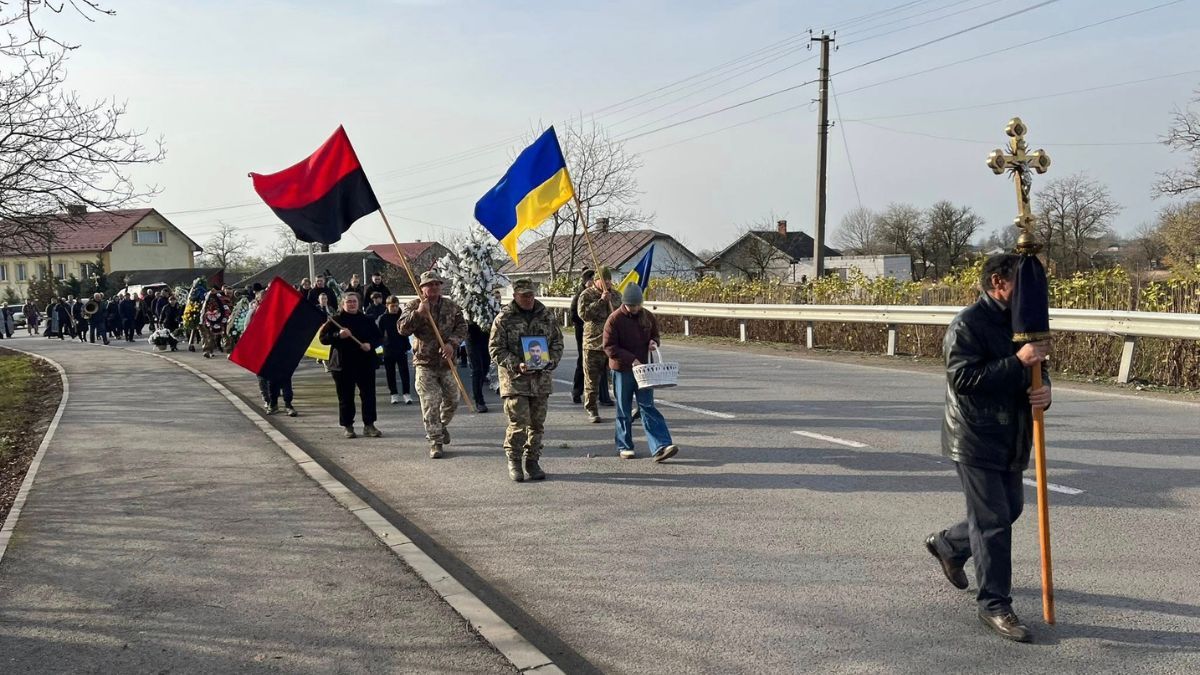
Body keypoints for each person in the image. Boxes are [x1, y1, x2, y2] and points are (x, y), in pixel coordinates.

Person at [924, 253, 1051, 644]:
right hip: (975, 435)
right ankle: (995, 604)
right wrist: (1018, 362)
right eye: (1021, 284)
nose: (1030, 293)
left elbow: (1036, 372)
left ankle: (949, 544)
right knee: (994, 520)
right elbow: (963, 378)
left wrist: (1043, 391)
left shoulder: (1022, 321)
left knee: (1008, 509)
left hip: (1011, 433)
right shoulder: (968, 324)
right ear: (998, 283)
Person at [489, 279, 563, 482]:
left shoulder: (545, 315)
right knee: (518, 424)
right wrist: (516, 364)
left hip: (541, 380)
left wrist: (551, 361)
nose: (528, 298)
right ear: (515, 296)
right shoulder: (504, 318)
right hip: (516, 381)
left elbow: (557, 342)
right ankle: (514, 460)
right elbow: (496, 349)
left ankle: (532, 460)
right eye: (524, 295)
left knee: (537, 425)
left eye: (531, 295)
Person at [603, 283, 679, 462]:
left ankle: (661, 445)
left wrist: (654, 342)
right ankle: (625, 446)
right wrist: (631, 359)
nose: (635, 308)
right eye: (632, 305)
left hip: (645, 371)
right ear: (625, 303)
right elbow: (609, 347)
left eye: (638, 305)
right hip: (622, 370)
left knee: (647, 406)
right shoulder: (614, 319)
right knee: (624, 408)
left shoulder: (648, 317)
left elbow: (655, 335)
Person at [398, 271, 467, 459]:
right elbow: (402, 329)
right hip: (425, 362)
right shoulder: (413, 306)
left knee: (453, 399)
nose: (434, 287)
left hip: (446, 362)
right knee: (430, 401)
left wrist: (452, 344)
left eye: (437, 284)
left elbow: (462, 327)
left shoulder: (451, 306)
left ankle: (441, 425)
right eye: (429, 285)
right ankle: (435, 441)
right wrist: (419, 314)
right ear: (422, 288)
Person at [319, 292, 382, 438]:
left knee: (368, 396)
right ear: (343, 304)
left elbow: (379, 337)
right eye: (348, 302)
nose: (352, 304)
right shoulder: (335, 321)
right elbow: (323, 339)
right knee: (345, 397)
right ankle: (348, 426)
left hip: (365, 363)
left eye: (354, 301)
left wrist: (370, 345)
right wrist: (338, 335)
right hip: (342, 364)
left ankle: (369, 425)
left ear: (358, 303)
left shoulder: (367, 320)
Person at [577, 266, 621, 423]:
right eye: (604, 280)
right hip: (593, 344)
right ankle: (592, 409)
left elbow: (621, 314)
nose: (607, 283)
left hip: (612, 345)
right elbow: (584, 315)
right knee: (592, 381)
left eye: (609, 280)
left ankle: (623, 409)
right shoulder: (587, 295)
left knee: (618, 379)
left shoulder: (616, 295)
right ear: (596, 281)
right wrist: (601, 301)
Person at [377, 295, 413, 406]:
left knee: (404, 372)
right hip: (388, 348)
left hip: (401, 347)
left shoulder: (402, 317)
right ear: (387, 306)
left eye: (396, 306)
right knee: (390, 372)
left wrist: (407, 345)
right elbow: (379, 333)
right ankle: (394, 394)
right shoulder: (383, 318)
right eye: (392, 306)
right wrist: (381, 345)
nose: (395, 308)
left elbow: (407, 332)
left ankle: (406, 393)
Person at [569, 269, 594, 404]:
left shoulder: (599, 294)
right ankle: (577, 391)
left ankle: (600, 394)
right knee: (583, 361)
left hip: (597, 334)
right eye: (589, 279)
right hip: (583, 332)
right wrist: (585, 323)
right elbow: (574, 315)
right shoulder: (580, 296)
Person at [465, 317, 491, 413]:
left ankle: (477, 390)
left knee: (485, 367)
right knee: (477, 369)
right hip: (471, 337)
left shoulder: (492, 302)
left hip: (486, 336)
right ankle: (479, 400)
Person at [199, 287, 231, 358]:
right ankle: (207, 351)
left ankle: (229, 351)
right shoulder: (206, 300)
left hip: (222, 319)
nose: (213, 292)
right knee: (209, 336)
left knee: (225, 335)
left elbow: (226, 308)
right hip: (209, 320)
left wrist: (226, 316)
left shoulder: (222, 299)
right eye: (211, 291)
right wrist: (204, 318)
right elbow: (203, 310)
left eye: (214, 291)